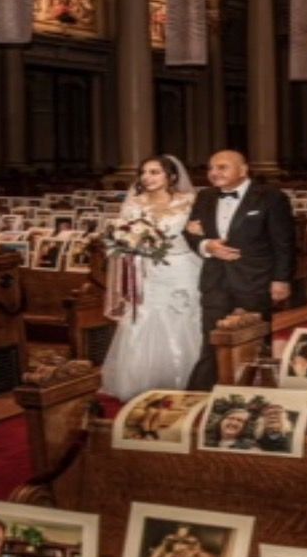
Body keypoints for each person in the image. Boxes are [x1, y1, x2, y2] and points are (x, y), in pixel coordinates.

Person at [183, 150, 295, 391]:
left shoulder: (271, 197)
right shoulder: (205, 196)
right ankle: (200, 395)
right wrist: (207, 246)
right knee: (211, 340)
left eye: (222, 167)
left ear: (243, 170)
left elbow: (283, 242)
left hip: (255, 279)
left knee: (255, 341)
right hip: (215, 279)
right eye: (211, 168)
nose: (214, 173)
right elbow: (190, 233)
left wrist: (281, 279)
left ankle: (257, 391)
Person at [100, 155, 201, 401]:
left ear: (172, 176)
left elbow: (202, 233)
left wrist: (199, 231)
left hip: (183, 268)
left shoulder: (190, 202)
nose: (147, 177)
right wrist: (128, 243)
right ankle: (142, 380)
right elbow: (122, 236)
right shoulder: (135, 204)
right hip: (147, 271)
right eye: (144, 172)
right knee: (143, 317)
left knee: (185, 317)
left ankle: (189, 378)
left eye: (155, 172)